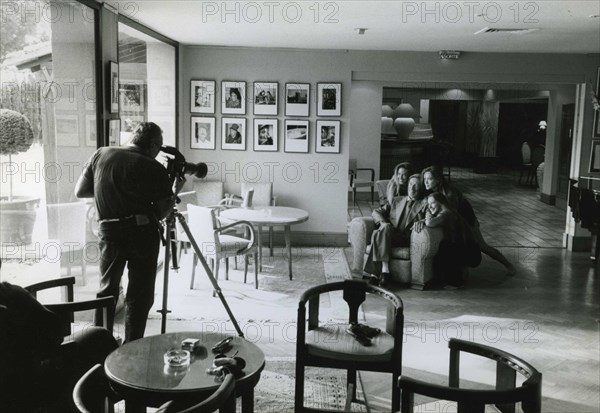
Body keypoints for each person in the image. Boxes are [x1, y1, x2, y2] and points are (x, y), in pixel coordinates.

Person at [75, 122, 185, 343]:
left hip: (108, 230)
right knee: (139, 295)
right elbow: (162, 212)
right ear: (153, 144)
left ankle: (97, 345)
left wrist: (113, 192)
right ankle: (131, 348)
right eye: (159, 147)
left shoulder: (101, 153)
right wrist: (174, 191)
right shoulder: (153, 168)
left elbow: (81, 191)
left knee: (107, 290)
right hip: (141, 232)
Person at [0, 279, 118, 412]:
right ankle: (117, 392)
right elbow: (56, 334)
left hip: (9, 392)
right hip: (31, 383)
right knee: (100, 338)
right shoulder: (9, 295)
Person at [422, 165, 515, 274]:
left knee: (482, 246)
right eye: (424, 179)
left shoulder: (450, 193)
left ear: (438, 180)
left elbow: (452, 216)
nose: (426, 182)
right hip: (456, 222)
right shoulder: (432, 192)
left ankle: (509, 265)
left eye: (429, 179)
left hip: (467, 221)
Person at [364, 174, 428, 286]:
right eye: (411, 184)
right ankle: (385, 271)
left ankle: (375, 274)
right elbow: (376, 212)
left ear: (421, 188)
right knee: (383, 229)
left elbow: (431, 216)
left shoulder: (424, 203)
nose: (412, 188)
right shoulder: (396, 200)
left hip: (407, 238)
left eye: (416, 185)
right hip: (390, 234)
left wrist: (423, 221)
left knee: (377, 234)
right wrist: (383, 223)